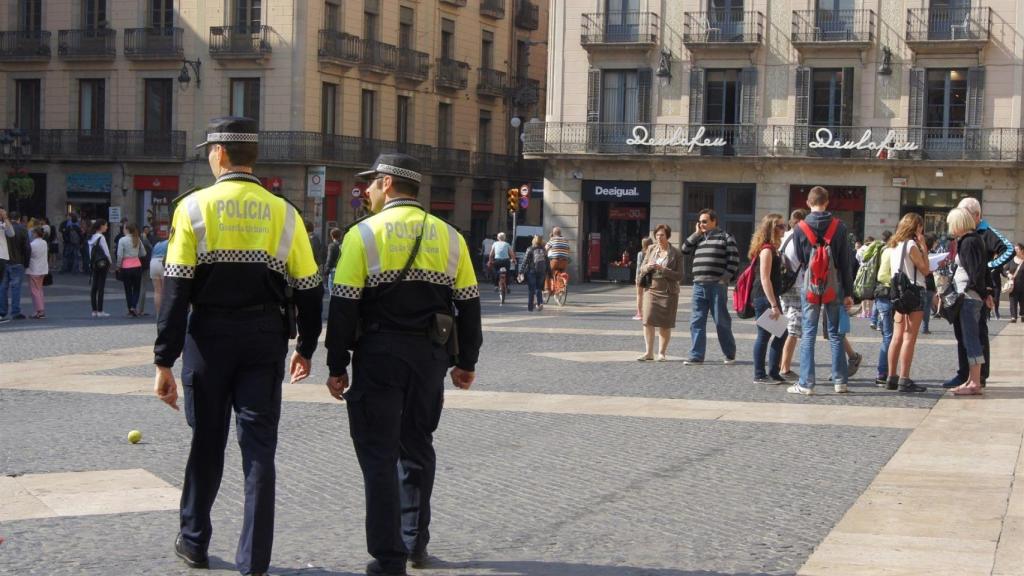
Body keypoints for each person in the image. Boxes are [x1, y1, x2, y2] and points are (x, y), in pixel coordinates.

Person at [152, 116, 324, 575]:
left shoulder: (192, 209)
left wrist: (163, 360)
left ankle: (193, 541)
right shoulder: (284, 212)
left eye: (210, 150)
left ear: (221, 154)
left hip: (207, 339)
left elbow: (176, 290)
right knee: (259, 452)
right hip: (264, 340)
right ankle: (255, 562)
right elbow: (309, 288)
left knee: (206, 443)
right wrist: (306, 347)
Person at [324, 152, 482, 576]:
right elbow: (469, 305)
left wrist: (336, 366)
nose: (368, 190)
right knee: (417, 446)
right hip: (429, 358)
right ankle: (415, 542)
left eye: (373, 182)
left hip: (378, 354)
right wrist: (466, 361)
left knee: (378, 453)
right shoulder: (451, 237)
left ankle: (387, 554)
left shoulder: (362, 235)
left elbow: (342, 309)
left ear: (389, 183)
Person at [787, 186, 855, 395]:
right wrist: (849, 292)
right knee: (835, 333)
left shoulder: (800, 228)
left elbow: (799, 257)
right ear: (826, 202)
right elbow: (846, 262)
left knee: (808, 333)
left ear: (808, 203)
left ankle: (806, 383)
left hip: (810, 286)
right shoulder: (839, 227)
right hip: (834, 285)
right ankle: (840, 381)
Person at [945, 197, 1014, 388]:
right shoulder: (967, 238)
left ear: (974, 215)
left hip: (972, 294)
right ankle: (967, 374)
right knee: (966, 336)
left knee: (975, 336)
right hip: (972, 291)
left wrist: (990, 268)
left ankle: (977, 377)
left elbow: (1007, 250)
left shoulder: (979, 234)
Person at [680, 209, 740, 365]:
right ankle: (696, 356)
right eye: (700, 222)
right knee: (696, 321)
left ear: (714, 221)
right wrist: (696, 234)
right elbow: (684, 249)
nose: (701, 224)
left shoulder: (726, 237)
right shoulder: (698, 238)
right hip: (698, 285)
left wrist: (724, 279)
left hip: (716, 286)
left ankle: (729, 354)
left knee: (721, 321)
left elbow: (734, 260)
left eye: (705, 221)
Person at [882, 213, 930, 393]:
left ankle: (891, 377)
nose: (922, 229)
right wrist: (924, 247)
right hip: (913, 292)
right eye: (920, 226)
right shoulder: (911, 245)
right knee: (909, 337)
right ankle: (904, 378)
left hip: (898, 292)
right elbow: (925, 270)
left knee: (896, 336)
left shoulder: (894, 244)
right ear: (915, 227)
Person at [947, 208, 990, 396]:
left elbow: (975, 272)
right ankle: (972, 380)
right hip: (972, 295)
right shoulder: (973, 239)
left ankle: (974, 382)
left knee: (971, 340)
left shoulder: (968, 241)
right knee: (971, 339)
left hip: (969, 296)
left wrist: (978, 291)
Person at [750, 214, 788, 384]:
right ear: (771, 229)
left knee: (780, 333)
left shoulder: (772, 248)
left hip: (768, 296)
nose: (784, 229)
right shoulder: (766, 250)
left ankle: (772, 372)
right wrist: (773, 304)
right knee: (765, 335)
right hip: (764, 297)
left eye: (784, 225)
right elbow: (765, 279)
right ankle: (760, 374)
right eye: (780, 226)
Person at [637, 224, 683, 362]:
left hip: (668, 291)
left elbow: (680, 276)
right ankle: (649, 352)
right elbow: (642, 268)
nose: (659, 237)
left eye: (662, 235)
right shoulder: (651, 249)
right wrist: (648, 267)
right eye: (657, 235)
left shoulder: (676, 253)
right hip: (651, 289)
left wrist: (664, 270)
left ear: (667, 236)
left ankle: (662, 353)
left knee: (665, 323)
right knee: (647, 320)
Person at [778, 209, 807, 379]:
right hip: (797, 286)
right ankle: (785, 368)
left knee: (781, 326)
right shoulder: (802, 237)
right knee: (793, 330)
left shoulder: (783, 237)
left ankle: (776, 363)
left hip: (782, 287)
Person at [873, 240, 896, 388]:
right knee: (889, 336)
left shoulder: (887, 250)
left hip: (885, 297)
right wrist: (900, 282)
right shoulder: (891, 251)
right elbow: (882, 276)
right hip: (888, 296)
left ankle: (886, 372)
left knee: (888, 336)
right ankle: (883, 373)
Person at [0, 211, 31, 322]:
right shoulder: (23, 229)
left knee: (3, 287)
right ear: (18, 219)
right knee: (16, 288)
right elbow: (27, 248)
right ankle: (15, 311)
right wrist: (26, 263)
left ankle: (2, 311)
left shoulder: (3, 228)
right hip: (18, 261)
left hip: (4, 261)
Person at [116, 222, 148, 317]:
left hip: (126, 267)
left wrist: (118, 266)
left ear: (126, 229)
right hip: (137, 266)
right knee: (137, 288)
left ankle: (130, 308)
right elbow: (143, 253)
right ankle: (133, 306)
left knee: (128, 289)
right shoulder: (137, 239)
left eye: (124, 228)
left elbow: (119, 255)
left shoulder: (122, 240)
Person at [87, 219, 111, 318]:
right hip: (102, 263)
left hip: (94, 263)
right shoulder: (101, 237)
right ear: (101, 226)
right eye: (105, 225)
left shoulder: (91, 237)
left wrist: (90, 263)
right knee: (101, 287)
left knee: (94, 287)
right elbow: (106, 251)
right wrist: (110, 262)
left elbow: (90, 252)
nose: (107, 227)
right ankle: (100, 310)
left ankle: (94, 310)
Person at [518, 235, 548, 311]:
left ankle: (530, 307)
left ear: (533, 240)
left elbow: (525, 261)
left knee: (531, 289)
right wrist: (549, 273)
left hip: (532, 271)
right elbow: (547, 262)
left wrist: (521, 271)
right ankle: (539, 302)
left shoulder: (530, 249)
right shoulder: (544, 250)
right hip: (542, 271)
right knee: (538, 288)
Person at [25, 227, 49, 319]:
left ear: (35, 234)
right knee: (39, 290)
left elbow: (29, 255)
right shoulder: (44, 242)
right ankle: (39, 310)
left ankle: (39, 310)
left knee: (35, 291)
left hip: (34, 269)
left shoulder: (32, 244)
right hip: (42, 268)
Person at [544, 227, 571, 293]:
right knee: (561, 272)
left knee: (548, 272)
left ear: (553, 233)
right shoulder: (565, 240)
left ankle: (547, 289)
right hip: (564, 261)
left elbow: (545, 249)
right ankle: (561, 288)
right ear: (560, 233)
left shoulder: (552, 240)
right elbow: (568, 250)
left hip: (555, 260)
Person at [921, 233, 938, 334]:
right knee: (926, 306)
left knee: (924, 306)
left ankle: (922, 327)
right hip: (927, 281)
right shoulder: (928, 253)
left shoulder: (921, 252)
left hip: (924, 282)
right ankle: (925, 327)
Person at [633, 236, 653, 320]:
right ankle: (647, 312)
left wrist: (637, 278)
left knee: (639, 295)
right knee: (648, 295)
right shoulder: (653, 253)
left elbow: (638, 266)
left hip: (641, 276)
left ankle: (639, 313)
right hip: (650, 276)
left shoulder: (640, 254)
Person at [150, 237, 169, 315]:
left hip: (153, 262)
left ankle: (158, 314)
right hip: (163, 263)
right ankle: (165, 314)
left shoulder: (157, 244)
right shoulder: (170, 242)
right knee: (166, 290)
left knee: (157, 291)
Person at [1007, 243, 1024, 322]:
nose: (1015, 251)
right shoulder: (1012, 260)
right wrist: (1008, 274)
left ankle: (1022, 314)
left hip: (1023, 285)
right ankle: (1013, 317)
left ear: (1022, 250)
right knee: (1012, 300)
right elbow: (1004, 270)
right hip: (1013, 285)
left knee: (1023, 301)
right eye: (1015, 249)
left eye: (1017, 249)